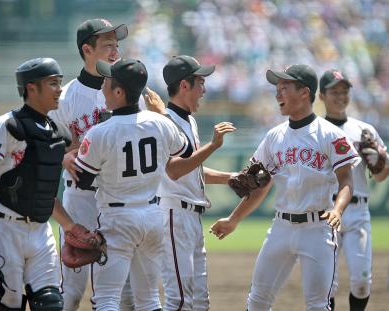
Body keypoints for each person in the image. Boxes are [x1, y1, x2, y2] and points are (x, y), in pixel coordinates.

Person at [73, 57, 234, 311]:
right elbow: (185, 150)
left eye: (107, 82)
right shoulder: (160, 122)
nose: (102, 86)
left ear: (118, 91)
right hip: (152, 216)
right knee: (150, 300)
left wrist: (72, 152)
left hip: (117, 217)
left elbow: (81, 179)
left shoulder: (100, 132)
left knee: (106, 299)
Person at [210, 64, 361, 311]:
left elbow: (346, 181)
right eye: (277, 88)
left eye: (285, 87)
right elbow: (260, 184)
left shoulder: (330, 135)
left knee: (317, 305)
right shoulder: (274, 137)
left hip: (317, 228)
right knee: (257, 300)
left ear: (304, 92)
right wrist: (233, 219)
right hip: (281, 227)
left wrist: (338, 210)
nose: (278, 94)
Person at [0, 58, 81, 310]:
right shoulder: (7, 126)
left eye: (60, 83)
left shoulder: (58, 133)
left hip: (41, 231)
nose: (59, 89)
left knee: (51, 303)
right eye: (53, 83)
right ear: (31, 88)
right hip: (6, 229)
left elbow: (43, 192)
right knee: (10, 305)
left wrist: (70, 227)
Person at [47, 18, 134, 311]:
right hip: (80, 197)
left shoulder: (129, 90)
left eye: (117, 45)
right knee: (71, 289)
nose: (115, 51)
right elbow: (53, 146)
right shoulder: (66, 97)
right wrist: (62, 154)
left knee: (124, 290)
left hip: (119, 199)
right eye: (108, 45)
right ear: (87, 49)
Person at [157, 55, 235, 311]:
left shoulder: (188, 120)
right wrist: (213, 146)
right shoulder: (165, 122)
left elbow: (193, 168)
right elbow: (175, 170)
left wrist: (230, 178)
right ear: (184, 86)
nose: (204, 89)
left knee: (200, 302)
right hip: (173, 215)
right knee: (179, 300)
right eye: (200, 82)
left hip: (191, 216)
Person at [319, 69, 389, 311]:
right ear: (321, 96)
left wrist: (380, 161)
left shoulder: (363, 130)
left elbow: (380, 176)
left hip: (358, 211)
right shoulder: (314, 131)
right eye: (334, 92)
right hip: (326, 210)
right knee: (327, 282)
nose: (340, 96)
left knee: (361, 281)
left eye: (344, 92)